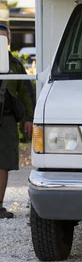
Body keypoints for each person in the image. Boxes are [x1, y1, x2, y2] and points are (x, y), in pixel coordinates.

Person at [0, 24, 34, 219]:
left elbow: (26, 93)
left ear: (9, 41)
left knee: (3, 163)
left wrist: (28, 118)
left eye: (3, 38)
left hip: (7, 120)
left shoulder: (16, 65)